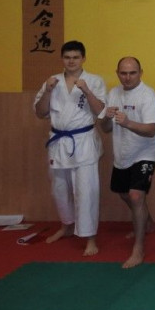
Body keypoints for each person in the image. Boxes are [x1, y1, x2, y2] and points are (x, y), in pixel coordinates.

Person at [33, 40, 106, 256]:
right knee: (59, 189)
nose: (71, 61)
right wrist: (47, 91)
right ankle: (66, 225)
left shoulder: (94, 81)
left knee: (86, 191)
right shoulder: (52, 81)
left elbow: (101, 111)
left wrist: (86, 91)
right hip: (58, 142)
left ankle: (90, 237)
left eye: (75, 57)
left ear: (83, 58)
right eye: (67, 57)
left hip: (83, 141)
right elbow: (40, 112)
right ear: (62, 59)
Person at [99, 56, 155, 269]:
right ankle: (147, 221)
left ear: (140, 73)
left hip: (145, 152)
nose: (127, 77)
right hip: (122, 153)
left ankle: (139, 248)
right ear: (117, 73)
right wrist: (106, 118)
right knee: (124, 194)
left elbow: (151, 130)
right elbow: (105, 128)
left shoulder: (148, 95)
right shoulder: (113, 93)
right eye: (123, 73)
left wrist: (127, 122)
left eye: (132, 73)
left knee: (136, 195)